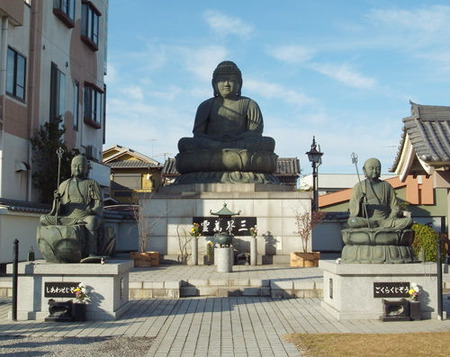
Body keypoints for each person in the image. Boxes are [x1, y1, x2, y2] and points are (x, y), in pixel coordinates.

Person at [177, 60, 275, 153]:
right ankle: (227, 154)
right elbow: (198, 135)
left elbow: (255, 133)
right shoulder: (206, 105)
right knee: (184, 143)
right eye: (222, 80)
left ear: (239, 83)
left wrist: (236, 138)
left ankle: (226, 154)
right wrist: (216, 139)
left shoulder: (250, 104)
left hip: (239, 143)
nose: (226, 84)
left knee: (269, 142)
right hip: (213, 143)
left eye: (231, 80)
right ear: (214, 84)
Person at [40, 154, 103, 255]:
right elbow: (59, 209)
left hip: (84, 217)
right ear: (71, 167)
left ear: (86, 168)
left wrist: (92, 211)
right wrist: (57, 201)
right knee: (43, 219)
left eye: (80, 166)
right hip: (68, 217)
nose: (77, 168)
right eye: (74, 166)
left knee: (92, 221)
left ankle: (91, 252)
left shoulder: (92, 184)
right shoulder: (64, 184)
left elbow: (99, 202)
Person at [347, 158, 412, 230]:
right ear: (364, 170)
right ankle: (375, 225)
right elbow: (353, 210)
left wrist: (393, 215)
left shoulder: (386, 186)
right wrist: (360, 203)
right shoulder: (359, 187)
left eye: (378, 169)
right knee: (352, 221)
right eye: (371, 168)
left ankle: (381, 226)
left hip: (386, 221)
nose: (375, 171)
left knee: (408, 221)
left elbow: (394, 206)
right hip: (368, 221)